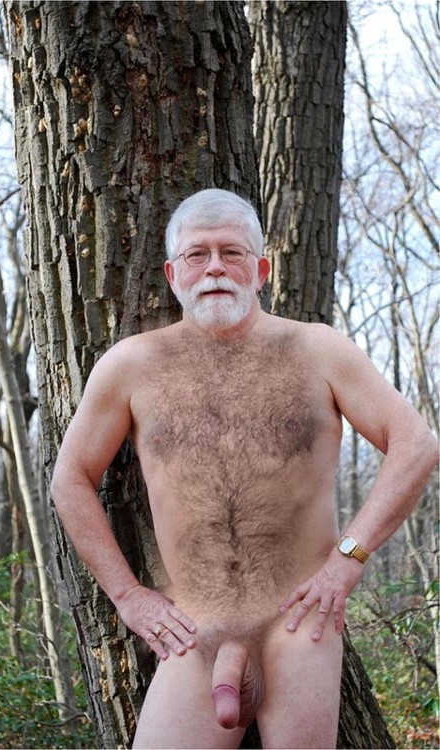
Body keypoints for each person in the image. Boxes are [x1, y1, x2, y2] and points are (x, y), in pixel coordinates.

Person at [51, 188, 437, 749]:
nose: (214, 268)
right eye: (196, 255)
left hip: (298, 623)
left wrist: (348, 559)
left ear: (260, 270)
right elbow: (69, 479)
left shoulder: (318, 351)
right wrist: (129, 595)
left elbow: (415, 444)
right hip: (192, 630)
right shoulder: (131, 365)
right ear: (173, 274)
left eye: (232, 253)